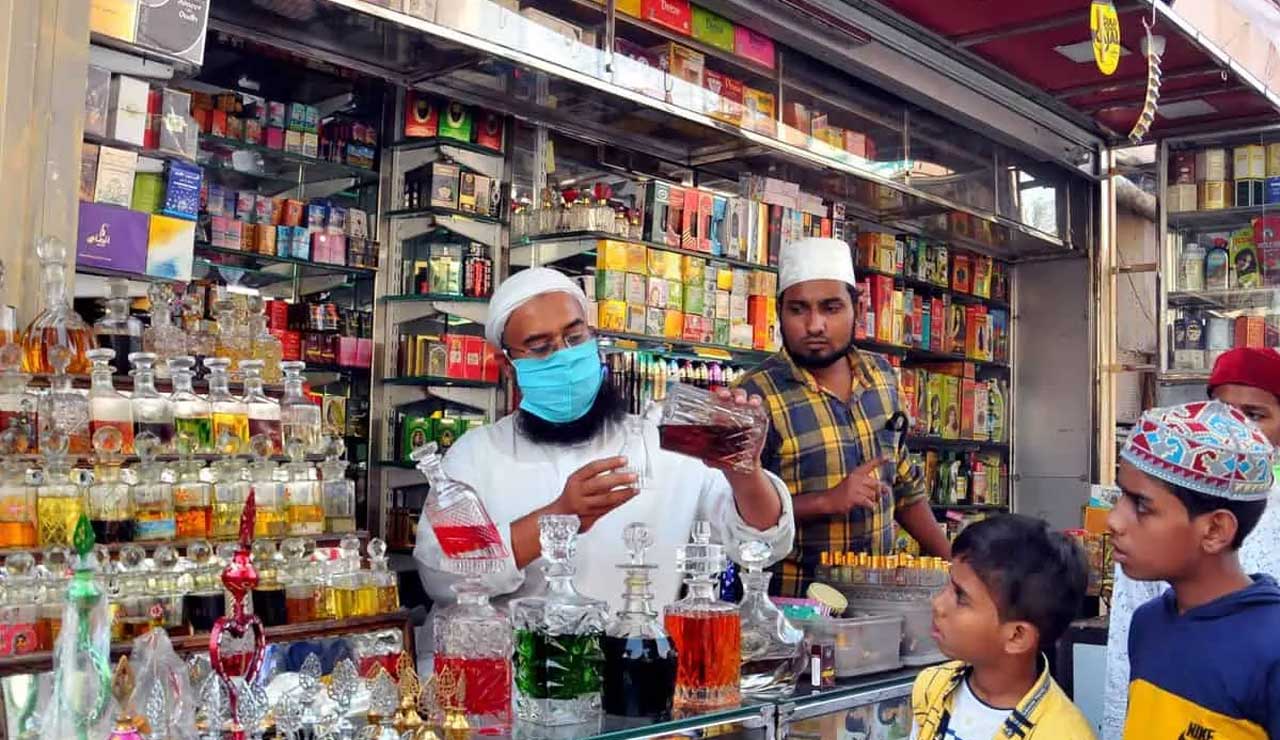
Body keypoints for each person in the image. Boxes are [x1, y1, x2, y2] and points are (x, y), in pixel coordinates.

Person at [413, 268, 795, 628]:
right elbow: (443, 574)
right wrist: (561, 516)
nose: (564, 357)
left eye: (575, 338)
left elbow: (762, 542)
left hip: (636, 672)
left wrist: (744, 472)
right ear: (507, 365)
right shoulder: (476, 456)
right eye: (541, 348)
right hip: (508, 685)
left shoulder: (662, 445)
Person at [738, 237, 950, 597]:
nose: (814, 325)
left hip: (880, 603)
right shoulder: (754, 397)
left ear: (857, 307)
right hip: (795, 610)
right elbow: (736, 517)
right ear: (779, 312)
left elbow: (904, 487)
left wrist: (955, 565)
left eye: (831, 308)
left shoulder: (881, 376)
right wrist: (827, 500)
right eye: (798, 309)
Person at [1102, 348, 1280, 740]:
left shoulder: (1271, 652)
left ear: (1216, 530)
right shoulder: (1148, 624)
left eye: (1142, 506)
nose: (1114, 521)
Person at [909, 514, 1093, 740]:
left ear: (1017, 636)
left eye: (960, 596)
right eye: (948, 585)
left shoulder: (1063, 734)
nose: (937, 604)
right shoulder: (932, 687)